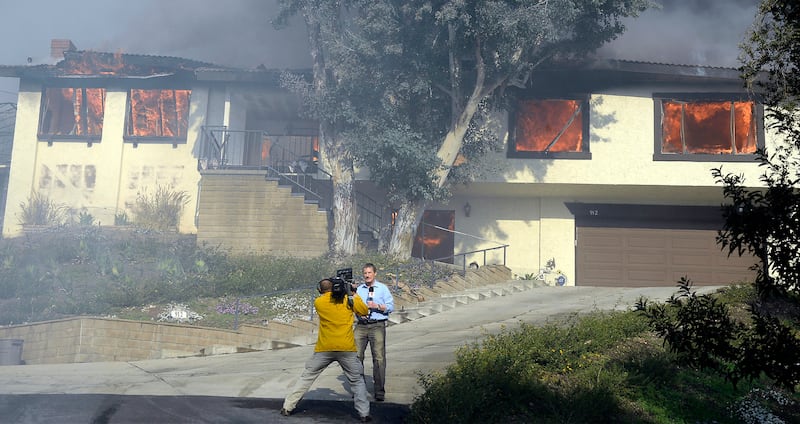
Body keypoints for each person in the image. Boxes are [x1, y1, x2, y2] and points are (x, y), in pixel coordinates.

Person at [281, 278, 372, 422]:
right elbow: (364, 310)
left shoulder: (319, 302)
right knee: (357, 381)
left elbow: (330, 300)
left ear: (320, 290)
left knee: (306, 377)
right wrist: (353, 293)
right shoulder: (348, 300)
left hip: (324, 348)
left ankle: (288, 406)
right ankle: (364, 414)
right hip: (346, 347)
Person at [354, 263, 394, 402]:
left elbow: (390, 306)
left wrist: (377, 306)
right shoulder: (359, 290)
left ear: (375, 274)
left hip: (377, 325)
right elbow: (354, 306)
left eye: (369, 272)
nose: (367, 275)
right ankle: (359, 389)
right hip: (361, 325)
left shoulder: (382, 288)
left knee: (379, 358)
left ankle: (379, 391)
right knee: (356, 357)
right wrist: (359, 313)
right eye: (365, 273)